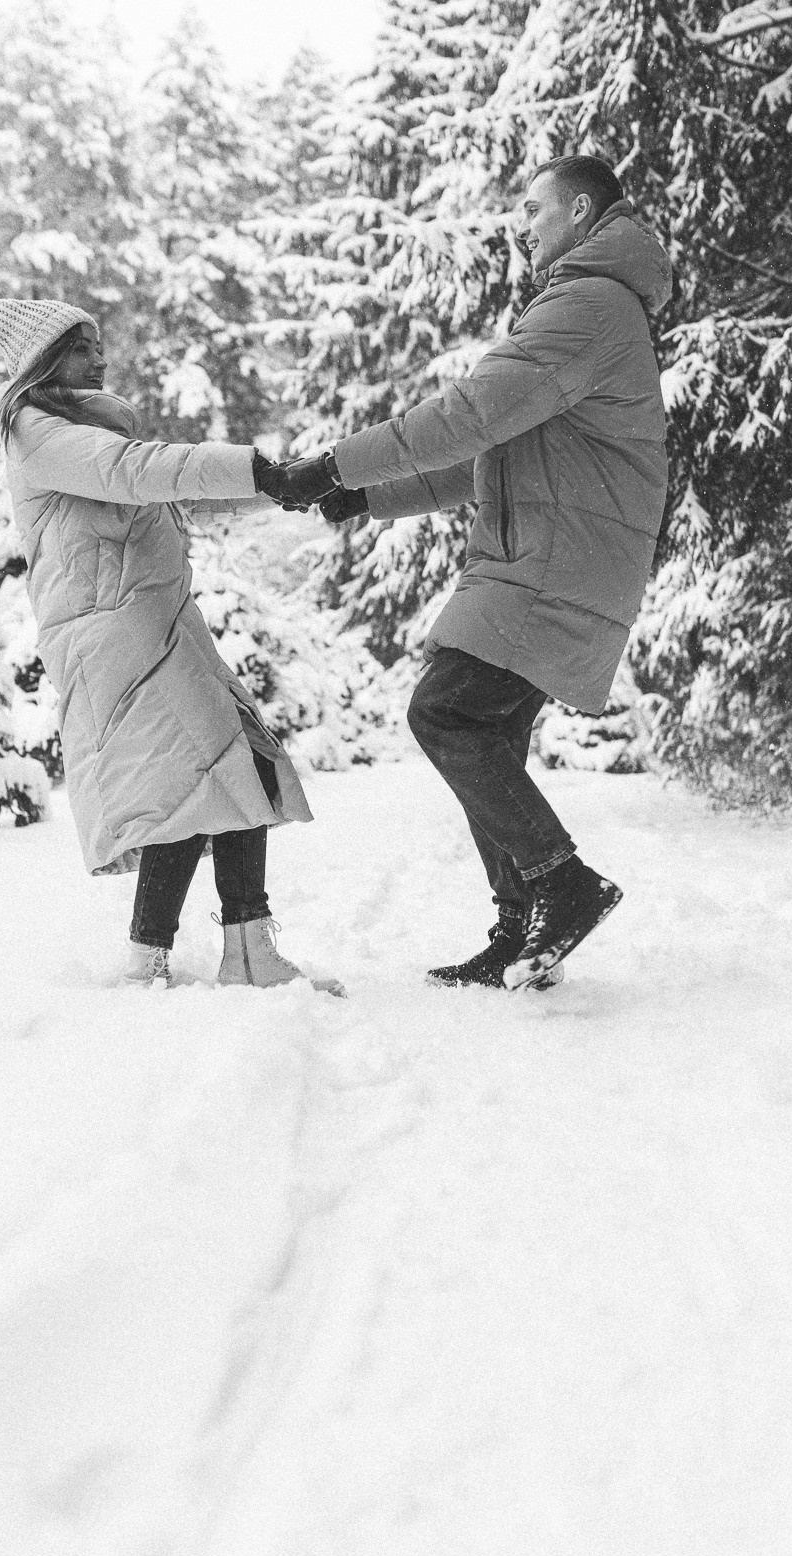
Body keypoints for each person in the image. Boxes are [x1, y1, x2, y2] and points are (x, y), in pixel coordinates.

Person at [263, 155, 671, 991]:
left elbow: (470, 415)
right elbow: (493, 450)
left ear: (580, 209)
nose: (520, 224)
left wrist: (335, 464)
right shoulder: (585, 303)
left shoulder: (589, 305)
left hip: (556, 558)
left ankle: (563, 883)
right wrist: (369, 499)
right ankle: (522, 929)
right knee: (488, 733)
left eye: (533, 208)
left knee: (447, 713)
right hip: (550, 554)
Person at [0, 296, 341, 994]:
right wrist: (259, 472)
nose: (101, 356)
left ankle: (162, 955)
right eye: (84, 345)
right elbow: (133, 469)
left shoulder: (67, 430)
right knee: (219, 763)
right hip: (116, 634)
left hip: (149, 623)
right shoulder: (38, 430)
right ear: (47, 358)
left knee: (199, 775)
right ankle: (236, 952)